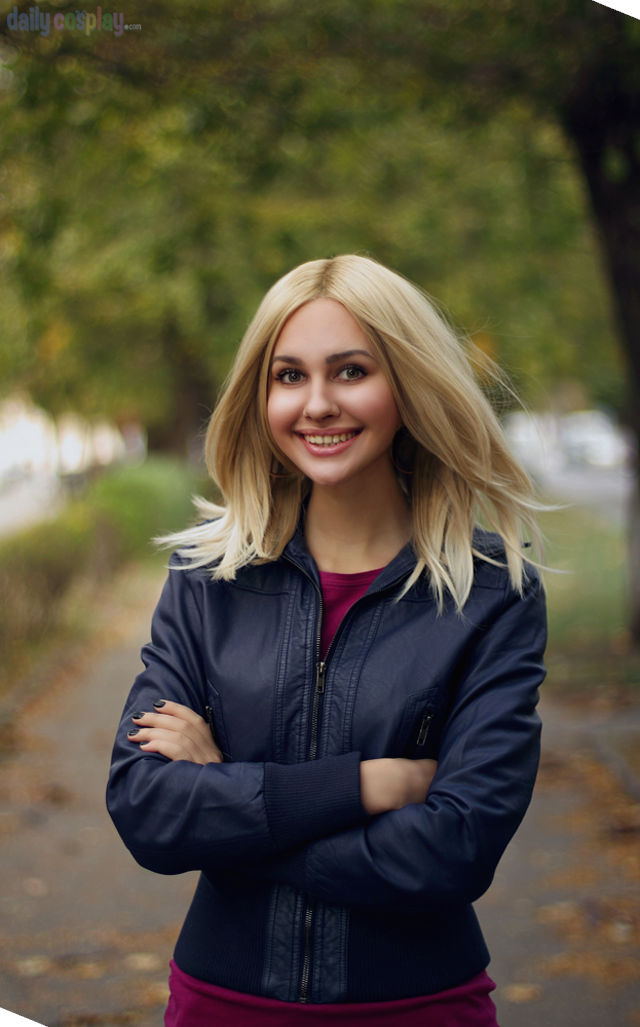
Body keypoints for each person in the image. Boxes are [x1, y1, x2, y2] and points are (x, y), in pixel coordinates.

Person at [107, 254, 547, 1026]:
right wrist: (371, 784)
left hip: (418, 1005)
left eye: (350, 371)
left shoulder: (491, 594)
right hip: (221, 1003)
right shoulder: (210, 578)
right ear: (261, 394)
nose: (316, 404)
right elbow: (148, 807)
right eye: (288, 376)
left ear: (407, 386)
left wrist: (234, 794)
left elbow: (454, 848)